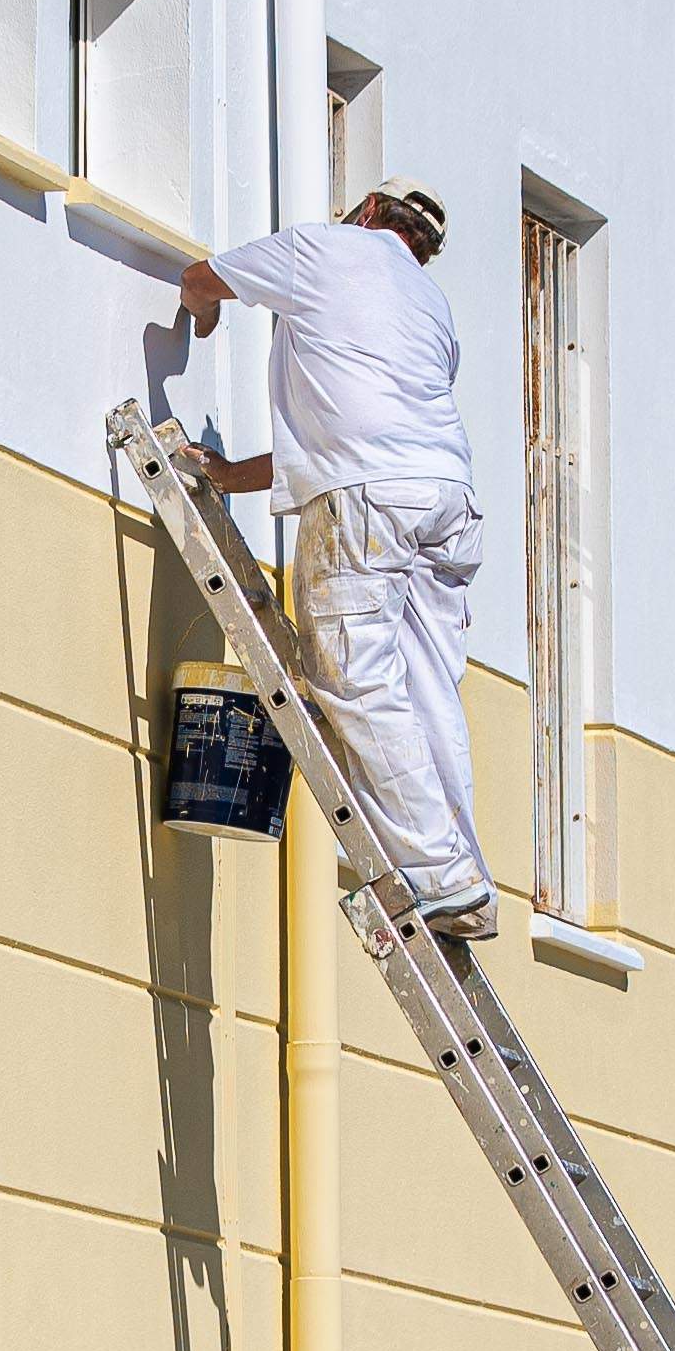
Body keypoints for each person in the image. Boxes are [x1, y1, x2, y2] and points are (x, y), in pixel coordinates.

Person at [177, 184, 494, 943]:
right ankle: (464, 871)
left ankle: (441, 875)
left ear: (374, 214)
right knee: (426, 689)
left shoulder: (326, 247)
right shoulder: (431, 308)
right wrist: (224, 476)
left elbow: (199, 279)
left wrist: (205, 313)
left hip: (371, 505)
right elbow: (350, 436)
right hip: (446, 502)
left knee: (354, 676)